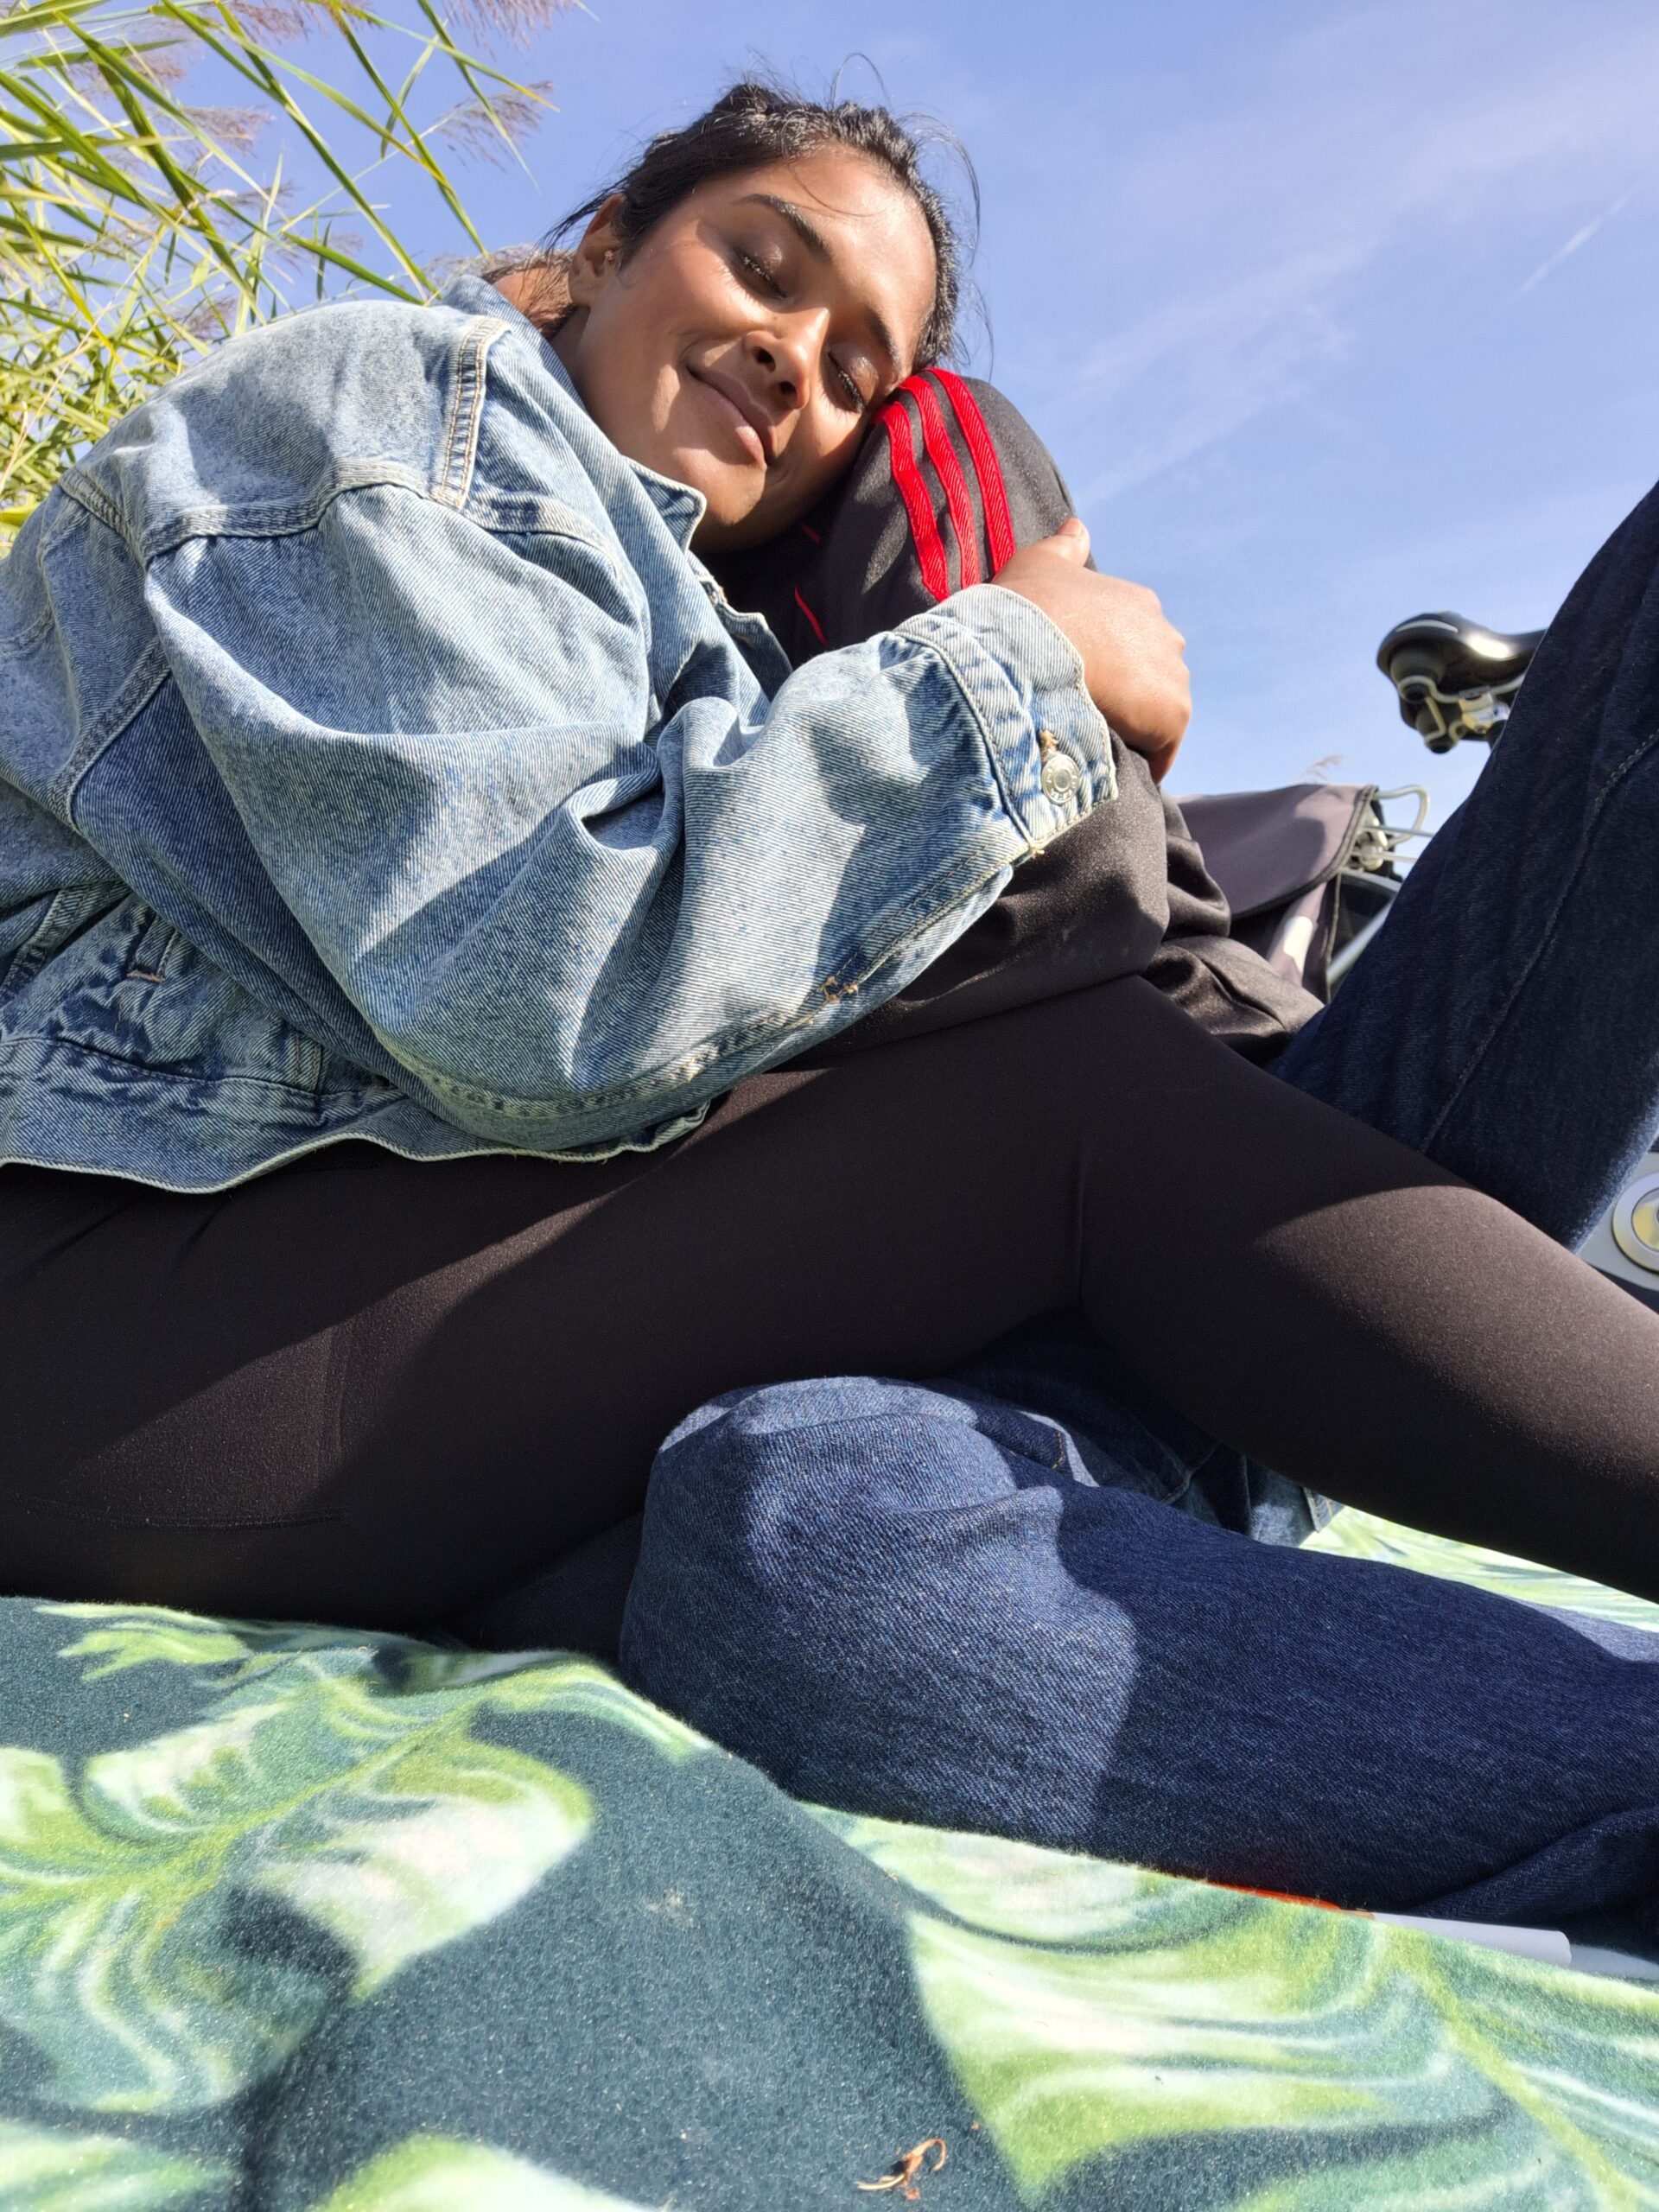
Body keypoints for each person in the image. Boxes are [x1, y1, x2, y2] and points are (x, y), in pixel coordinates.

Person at [2, 82, 1658, 1635]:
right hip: (106, 1311)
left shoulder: (676, 626)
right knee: (1066, 1102)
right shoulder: (406, 407)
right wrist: (1023, 653)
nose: (799, 360)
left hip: (296, 1337)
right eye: (763, 266)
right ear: (603, 248)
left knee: (813, 1538)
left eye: (861, 372)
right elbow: (550, 983)